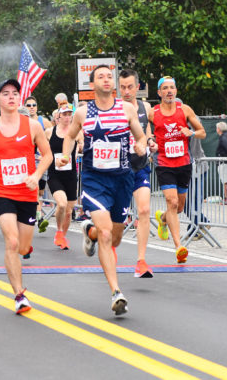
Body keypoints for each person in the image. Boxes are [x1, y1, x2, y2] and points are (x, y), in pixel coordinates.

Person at [58, 65, 147, 315]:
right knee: (107, 234)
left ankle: (90, 231)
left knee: (115, 237)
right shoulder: (83, 113)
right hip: (95, 179)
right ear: (92, 84)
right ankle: (116, 292)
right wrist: (65, 155)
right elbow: (69, 135)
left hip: (122, 179)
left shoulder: (127, 109)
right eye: (101, 77)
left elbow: (140, 136)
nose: (106, 80)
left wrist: (141, 146)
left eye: (110, 76)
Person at [0, 79, 53, 314]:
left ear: (19, 98)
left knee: (24, 246)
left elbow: (47, 155)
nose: (11, 97)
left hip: (27, 192)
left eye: (15, 93)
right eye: (5, 94)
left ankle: (25, 251)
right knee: (12, 241)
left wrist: (36, 175)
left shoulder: (32, 126)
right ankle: (19, 295)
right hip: (2, 192)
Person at [150, 76, 206, 263]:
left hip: (183, 163)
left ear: (176, 91)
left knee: (179, 207)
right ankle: (178, 246)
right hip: (164, 163)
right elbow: (144, 131)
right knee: (172, 201)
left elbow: (202, 132)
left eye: (172, 88)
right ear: (159, 92)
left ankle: (163, 218)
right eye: (165, 88)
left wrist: (191, 132)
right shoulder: (153, 112)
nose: (169, 91)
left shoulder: (185, 110)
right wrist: (150, 142)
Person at [118, 69, 159, 277]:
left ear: (137, 87)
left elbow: (148, 130)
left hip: (140, 165)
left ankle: (141, 261)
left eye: (130, 87)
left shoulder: (145, 107)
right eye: (122, 87)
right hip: (118, 168)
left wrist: (150, 143)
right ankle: (96, 236)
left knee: (143, 211)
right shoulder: (114, 109)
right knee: (116, 220)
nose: (126, 91)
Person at [45, 104, 82, 250]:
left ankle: (62, 236)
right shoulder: (49, 132)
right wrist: (54, 160)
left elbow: (82, 144)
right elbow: (44, 151)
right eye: (64, 114)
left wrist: (80, 147)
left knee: (68, 211)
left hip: (71, 175)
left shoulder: (77, 132)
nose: (67, 117)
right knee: (61, 204)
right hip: (55, 174)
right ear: (58, 116)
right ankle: (59, 231)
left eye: (69, 114)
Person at [24, 96, 53, 233]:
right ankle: (39, 216)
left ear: (37, 107)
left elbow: (54, 136)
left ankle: (36, 210)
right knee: (34, 190)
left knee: (40, 190)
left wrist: (47, 151)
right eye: (28, 105)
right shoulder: (22, 122)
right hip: (28, 161)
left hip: (41, 161)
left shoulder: (44, 122)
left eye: (33, 105)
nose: (31, 107)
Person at [216, 121, 227, 204]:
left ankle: (226, 199)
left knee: (225, 181)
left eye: (217, 128)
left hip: (224, 163)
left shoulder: (223, 137)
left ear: (219, 129)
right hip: (224, 162)